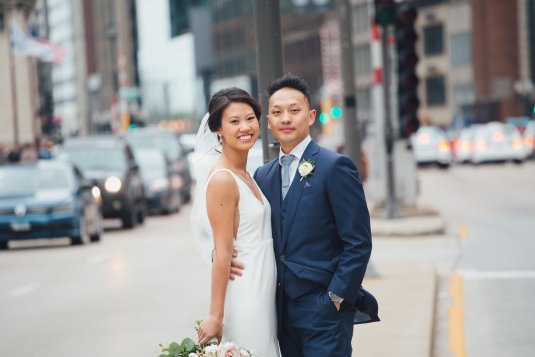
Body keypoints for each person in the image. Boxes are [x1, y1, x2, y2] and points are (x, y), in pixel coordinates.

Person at [233, 74, 373, 356]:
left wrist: (335, 297)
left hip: (324, 312)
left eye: (294, 111)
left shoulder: (335, 167)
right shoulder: (263, 175)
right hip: (279, 314)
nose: (286, 118)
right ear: (269, 122)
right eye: (277, 112)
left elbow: (358, 242)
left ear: (310, 116)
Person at [192, 88, 280, 356]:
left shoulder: (245, 174)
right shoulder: (222, 180)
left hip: (265, 294)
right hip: (247, 295)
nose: (245, 127)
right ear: (218, 129)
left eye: (250, 118)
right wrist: (215, 316)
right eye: (234, 121)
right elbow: (222, 253)